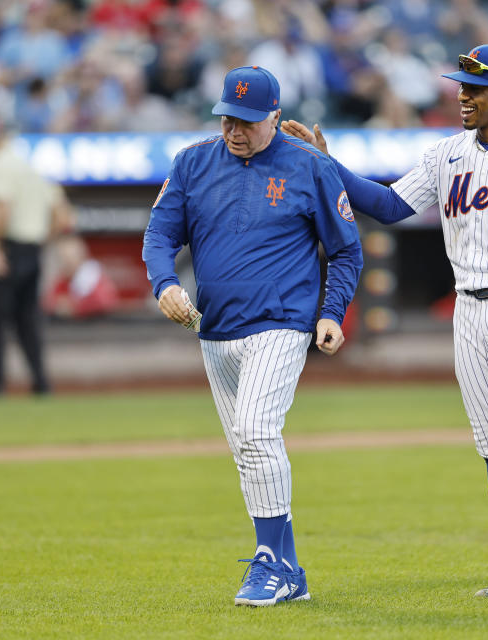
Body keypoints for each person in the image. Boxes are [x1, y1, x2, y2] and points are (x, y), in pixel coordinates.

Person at [282, 44, 488, 601]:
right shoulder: (447, 154)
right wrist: (326, 163)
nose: (463, 95)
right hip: (468, 308)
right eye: (461, 84)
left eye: (476, 86)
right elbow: (390, 204)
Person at [142, 65, 362, 607]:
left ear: (275, 117)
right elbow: (158, 235)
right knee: (247, 449)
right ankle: (290, 570)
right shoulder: (193, 162)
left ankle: (269, 562)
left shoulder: (310, 165)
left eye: (246, 120)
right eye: (227, 118)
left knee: (257, 431)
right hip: (214, 329)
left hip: (282, 322)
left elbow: (347, 249)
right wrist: (164, 283)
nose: (234, 130)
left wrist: (331, 312)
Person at [0, 118, 71, 395]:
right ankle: (41, 383)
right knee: (28, 320)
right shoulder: (29, 165)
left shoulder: (1, 164)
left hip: (8, 247)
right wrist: (42, 241)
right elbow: (63, 215)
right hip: (32, 249)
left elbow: (3, 210)